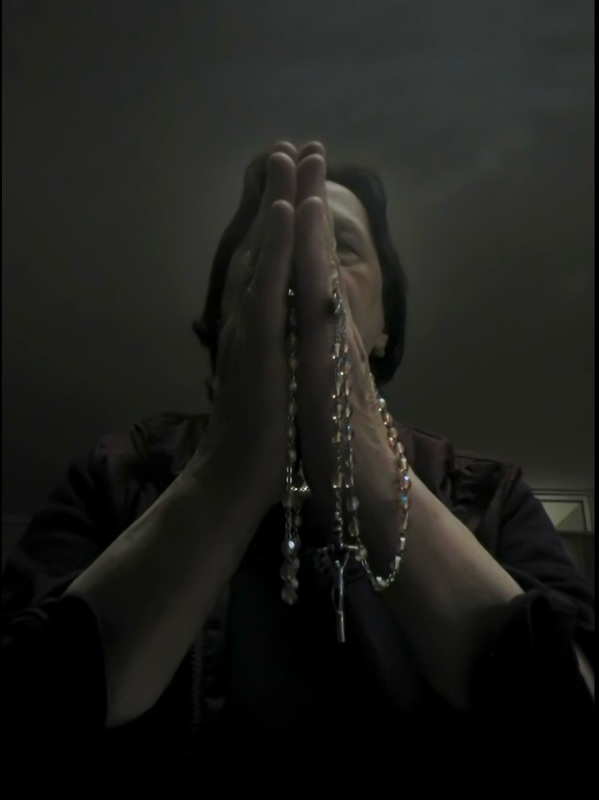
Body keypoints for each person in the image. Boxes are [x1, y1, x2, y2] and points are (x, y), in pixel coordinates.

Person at [2, 140, 594, 774]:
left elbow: (576, 716)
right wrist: (227, 474)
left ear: (384, 323)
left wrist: (363, 455)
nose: (304, 270)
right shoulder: (117, 473)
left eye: (341, 247)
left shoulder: (490, 495)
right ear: (225, 309)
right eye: (269, 249)